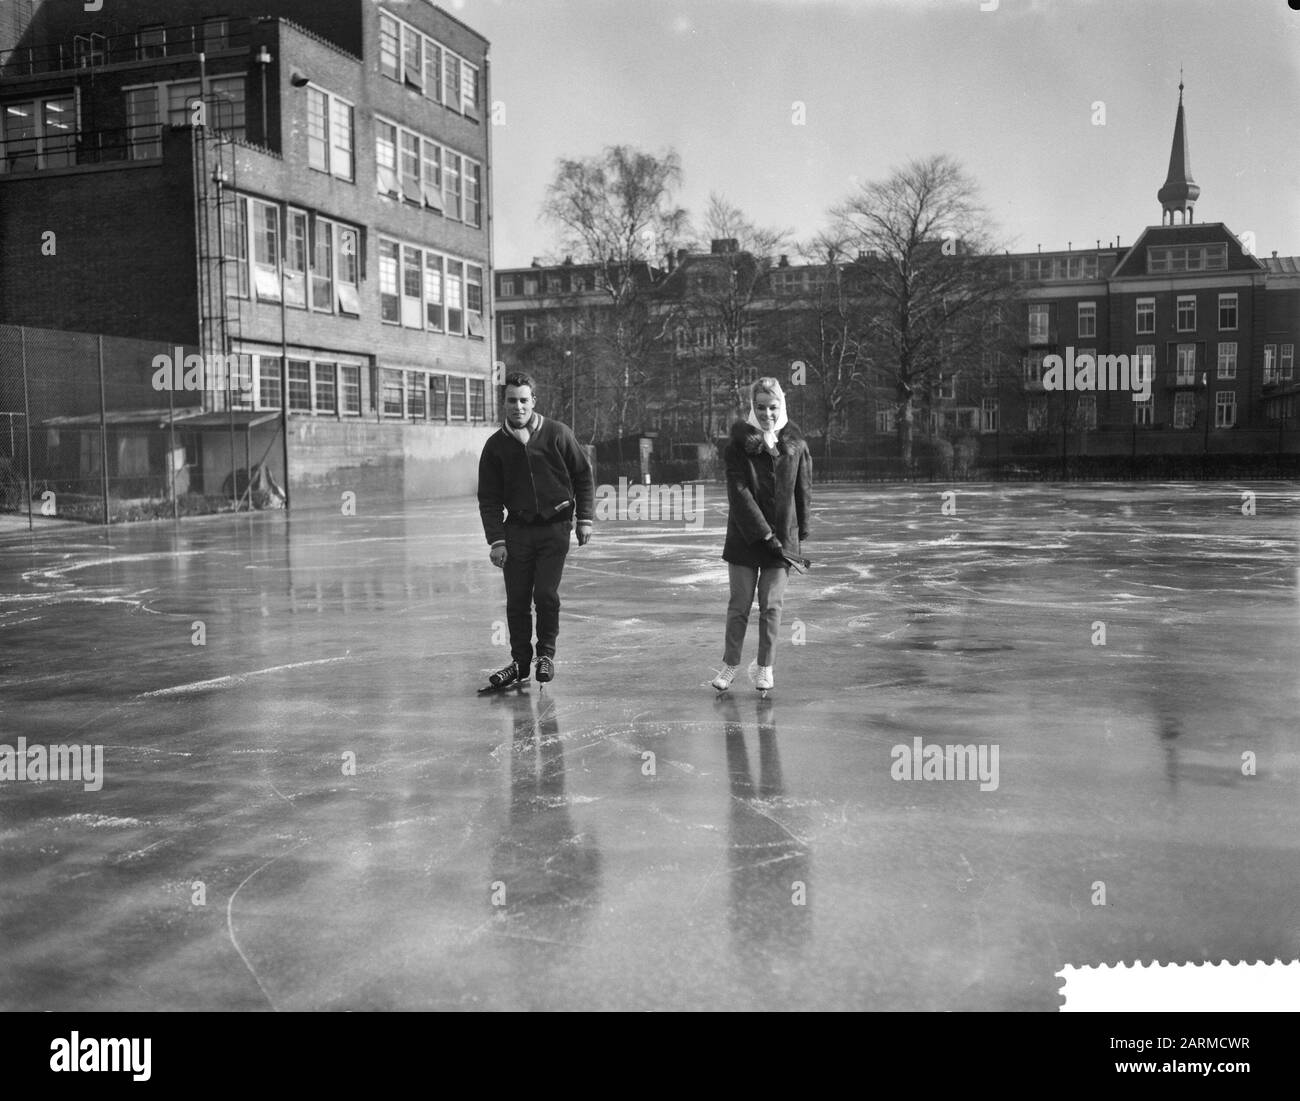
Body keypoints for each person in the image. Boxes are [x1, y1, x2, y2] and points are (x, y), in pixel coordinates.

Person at [478, 372, 593, 689]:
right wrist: (497, 541)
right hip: (516, 532)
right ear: (504, 403)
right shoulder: (496, 446)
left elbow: (583, 475)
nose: (518, 406)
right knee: (516, 599)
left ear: (534, 401)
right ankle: (519, 664)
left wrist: (585, 519)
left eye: (523, 400)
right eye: (512, 400)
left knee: (544, 594)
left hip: (555, 528)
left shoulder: (557, 434)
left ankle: (545, 656)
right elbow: (488, 498)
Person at [711, 377, 811, 693]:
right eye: (760, 407)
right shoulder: (738, 445)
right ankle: (730, 665)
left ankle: (764, 667)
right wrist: (764, 533)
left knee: (771, 606)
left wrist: (801, 530)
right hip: (745, 538)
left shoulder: (796, 444)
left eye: (772, 407)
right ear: (752, 408)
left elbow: (803, 489)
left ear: (781, 406)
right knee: (739, 604)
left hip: (782, 541)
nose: (767, 413)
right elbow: (738, 493)